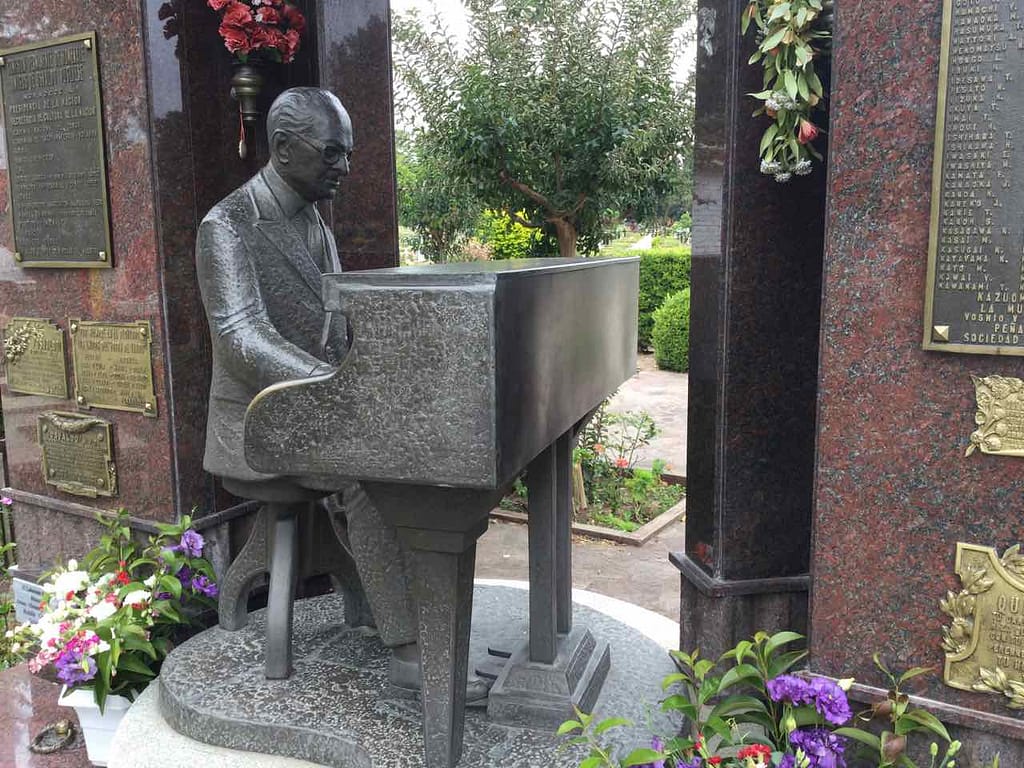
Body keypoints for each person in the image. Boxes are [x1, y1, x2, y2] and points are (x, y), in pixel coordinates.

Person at [196, 87, 480, 696]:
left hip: (317, 408)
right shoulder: (227, 226)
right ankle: (410, 652)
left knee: (409, 440)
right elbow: (241, 336)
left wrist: (381, 374)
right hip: (257, 422)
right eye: (332, 154)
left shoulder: (313, 220)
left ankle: (428, 614)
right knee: (371, 467)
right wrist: (336, 389)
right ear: (282, 149)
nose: (345, 168)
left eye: (348, 154)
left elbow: (339, 319)